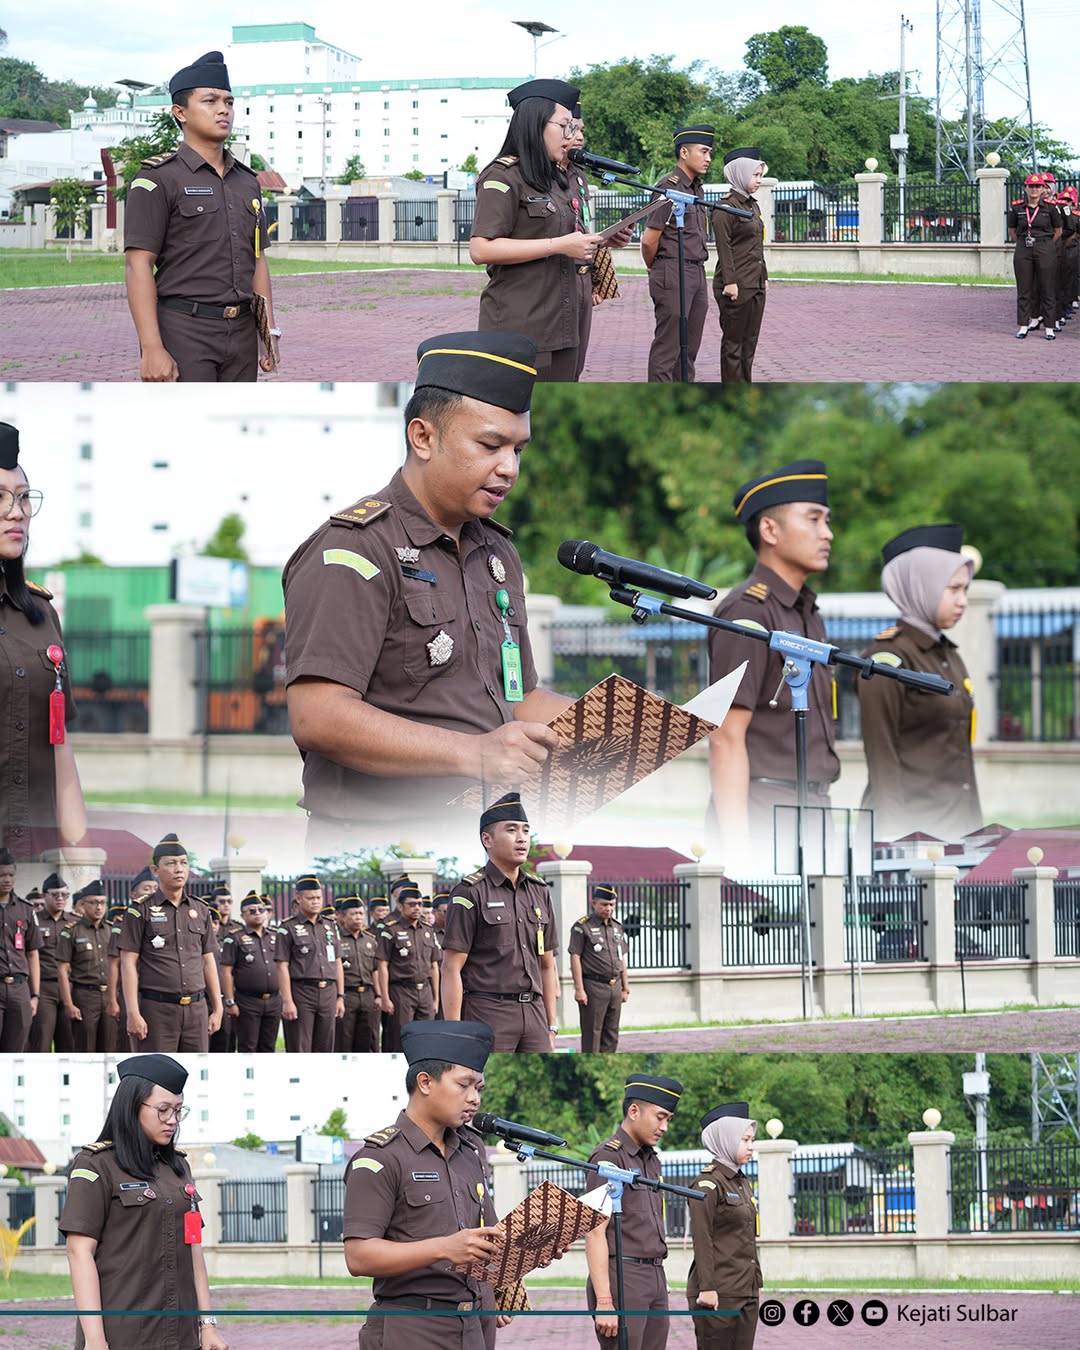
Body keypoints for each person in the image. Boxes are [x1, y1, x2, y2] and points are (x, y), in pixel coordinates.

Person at [283, 331, 569, 851]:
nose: (510, 467)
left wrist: (613, 727)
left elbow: (516, 698)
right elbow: (317, 716)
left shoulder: (495, 553)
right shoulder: (356, 550)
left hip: (481, 839)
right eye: (490, 445)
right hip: (375, 850)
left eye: (518, 448)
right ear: (423, 437)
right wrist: (476, 755)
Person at [343, 1019, 503, 1350]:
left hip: (475, 1325)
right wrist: (445, 1247)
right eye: (464, 1085)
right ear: (426, 1082)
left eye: (479, 1088)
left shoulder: (470, 1151)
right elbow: (358, 1257)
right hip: (412, 1328)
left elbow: (487, 1235)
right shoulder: (381, 1158)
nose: (474, 1098)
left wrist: (533, 1246)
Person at [706, 460, 838, 860]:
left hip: (815, 811)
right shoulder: (749, 613)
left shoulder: (807, 613)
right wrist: (739, 850)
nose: (827, 533)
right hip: (764, 813)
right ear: (769, 530)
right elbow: (725, 737)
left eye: (827, 521)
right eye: (813, 519)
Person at [124, 49, 278, 382]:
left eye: (229, 101)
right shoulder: (157, 178)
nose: (223, 109)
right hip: (184, 331)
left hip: (240, 333)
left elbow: (259, 260)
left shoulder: (247, 182)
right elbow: (138, 264)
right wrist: (151, 349)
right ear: (179, 112)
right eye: (210, 101)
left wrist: (267, 332)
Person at [59, 1053, 227, 1350]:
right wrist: (96, 1339)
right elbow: (79, 1252)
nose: (173, 1120)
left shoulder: (178, 1167)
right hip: (122, 1335)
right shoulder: (96, 1164)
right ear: (133, 1106)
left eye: (178, 1110)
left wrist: (207, 1324)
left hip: (181, 1335)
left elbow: (194, 1249)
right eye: (163, 1110)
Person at [470, 78, 605, 381]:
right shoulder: (503, 176)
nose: (572, 137)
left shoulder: (556, 179)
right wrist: (557, 245)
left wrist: (601, 242)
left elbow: (566, 236)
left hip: (564, 320)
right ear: (536, 125)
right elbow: (481, 249)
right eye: (565, 126)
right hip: (521, 324)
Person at [857, 524, 982, 840]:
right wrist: (895, 846)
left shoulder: (950, 657)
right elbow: (881, 760)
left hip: (959, 829)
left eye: (965, 590)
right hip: (913, 838)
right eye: (953, 589)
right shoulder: (887, 658)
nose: (963, 601)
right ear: (921, 585)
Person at [0, 422, 85, 859]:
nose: (16, 511)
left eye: (22, 497)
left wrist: (78, 857)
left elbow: (60, 743)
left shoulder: (40, 613)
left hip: (34, 854)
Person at [442, 793, 559, 1052]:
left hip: (535, 1014)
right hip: (488, 1013)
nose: (522, 838)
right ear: (487, 839)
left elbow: (547, 964)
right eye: (511, 830)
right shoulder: (470, 892)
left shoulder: (540, 891)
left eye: (526, 831)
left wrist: (552, 1024)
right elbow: (451, 967)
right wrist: (454, 1032)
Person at [585, 1074, 684, 1350]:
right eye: (660, 1117)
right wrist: (604, 1300)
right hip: (624, 1277)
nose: (664, 1127)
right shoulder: (608, 1158)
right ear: (633, 1111)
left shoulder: (651, 1159)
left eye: (669, 1120)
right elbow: (595, 1233)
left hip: (654, 1275)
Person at [119, 834, 224, 1052]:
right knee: (158, 1074)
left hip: (197, 1009)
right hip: (157, 1010)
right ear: (155, 871)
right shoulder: (139, 910)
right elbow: (128, 964)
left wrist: (217, 1007)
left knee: (195, 1074)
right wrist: (133, 1013)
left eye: (184, 863)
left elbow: (208, 961)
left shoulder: (201, 909)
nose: (179, 869)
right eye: (171, 863)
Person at [687, 1102, 761, 1350]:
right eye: (745, 1140)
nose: (751, 1146)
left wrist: (754, 1285)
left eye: (752, 1140)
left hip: (746, 1289)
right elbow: (702, 1238)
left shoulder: (741, 1182)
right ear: (726, 1139)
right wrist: (707, 1288)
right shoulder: (708, 1184)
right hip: (717, 1293)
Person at [642, 126, 714, 382]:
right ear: (684, 152)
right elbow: (650, 240)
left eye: (710, 153)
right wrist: (658, 267)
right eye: (703, 152)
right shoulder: (668, 187)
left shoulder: (697, 188)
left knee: (688, 352)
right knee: (668, 349)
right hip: (673, 269)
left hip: (696, 271)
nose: (708, 158)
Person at [712, 149, 769, 382]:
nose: (759, 180)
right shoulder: (725, 207)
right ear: (740, 174)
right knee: (734, 345)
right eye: (755, 175)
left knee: (749, 343)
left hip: (755, 284)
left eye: (760, 175)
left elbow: (757, 245)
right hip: (735, 286)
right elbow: (723, 247)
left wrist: (763, 277)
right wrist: (730, 282)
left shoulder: (752, 206)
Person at [274, 873, 345, 1052]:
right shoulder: (287, 927)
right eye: (310, 898)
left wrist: (340, 997)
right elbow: (282, 966)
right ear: (298, 898)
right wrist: (287, 1001)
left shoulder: (330, 925)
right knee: (300, 1046)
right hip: (302, 992)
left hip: (328, 992)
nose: (315, 901)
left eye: (318, 897)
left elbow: (337, 962)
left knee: (326, 1046)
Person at [57, 879, 118, 1053]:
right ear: (83, 904)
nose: (99, 907)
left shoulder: (112, 931)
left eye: (102, 902)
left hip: (109, 996)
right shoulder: (71, 931)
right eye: (94, 902)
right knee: (85, 1049)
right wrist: (69, 1005)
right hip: (84, 996)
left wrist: (116, 1000)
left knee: (110, 1049)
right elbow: (62, 970)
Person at [376, 882, 439, 1052]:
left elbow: (434, 966)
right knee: (401, 1040)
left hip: (425, 991)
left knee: (427, 1040)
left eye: (420, 904)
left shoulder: (428, 929)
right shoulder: (391, 930)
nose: (417, 908)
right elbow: (382, 965)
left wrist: (435, 998)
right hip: (401, 992)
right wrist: (385, 997)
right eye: (412, 904)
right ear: (400, 906)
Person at [568, 884, 629, 1053]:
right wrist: (579, 989)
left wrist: (625, 987)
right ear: (593, 903)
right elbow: (575, 957)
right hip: (593, 986)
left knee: (612, 1033)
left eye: (612, 905)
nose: (608, 908)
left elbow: (622, 958)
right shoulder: (582, 927)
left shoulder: (617, 927)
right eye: (604, 904)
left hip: (615, 986)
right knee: (592, 1034)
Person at [220, 889, 282, 1053]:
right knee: (248, 1047)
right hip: (247, 1002)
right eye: (252, 911)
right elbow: (227, 972)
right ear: (243, 916)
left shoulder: (276, 936)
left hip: (274, 1001)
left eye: (261, 910)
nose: (258, 914)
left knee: (269, 1047)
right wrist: (230, 1001)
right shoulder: (234, 938)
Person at [1008, 174, 1063, 341]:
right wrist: (1025, 242)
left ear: (1042, 189)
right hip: (1024, 248)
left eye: (1038, 187)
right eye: (1031, 187)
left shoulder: (1051, 208)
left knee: (1047, 288)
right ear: (1025, 188)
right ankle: (1023, 325)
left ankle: (1049, 327)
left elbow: (1058, 230)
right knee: (1024, 289)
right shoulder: (1017, 208)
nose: (1034, 190)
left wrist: (1045, 244)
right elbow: (1012, 230)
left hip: (1045, 247)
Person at [28, 871, 76, 1052]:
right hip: (44, 987)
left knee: (69, 1043)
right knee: (41, 1041)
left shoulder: (74, 922)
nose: (60, 899)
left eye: (65, 894)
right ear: (44, 896)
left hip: (69, 988)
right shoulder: (34, 921)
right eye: (55, 895)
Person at [0, 848, 41, 1050]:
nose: (6, 879)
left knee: (16, 1049)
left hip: (19, 989)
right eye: (1, 875)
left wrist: (35, 995)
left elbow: (32, 953)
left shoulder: (25, 909)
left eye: (10, 875)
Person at [336, 895, 382, 1052]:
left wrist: (379, 995)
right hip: (348, 995)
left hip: (368, 996)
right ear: (343, 916)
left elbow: (375, 969)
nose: (358, 917)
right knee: (344, 1041)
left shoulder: (370, 940)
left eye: (361, 913)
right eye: (353, 914)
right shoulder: (336, 939)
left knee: (368, 1040)